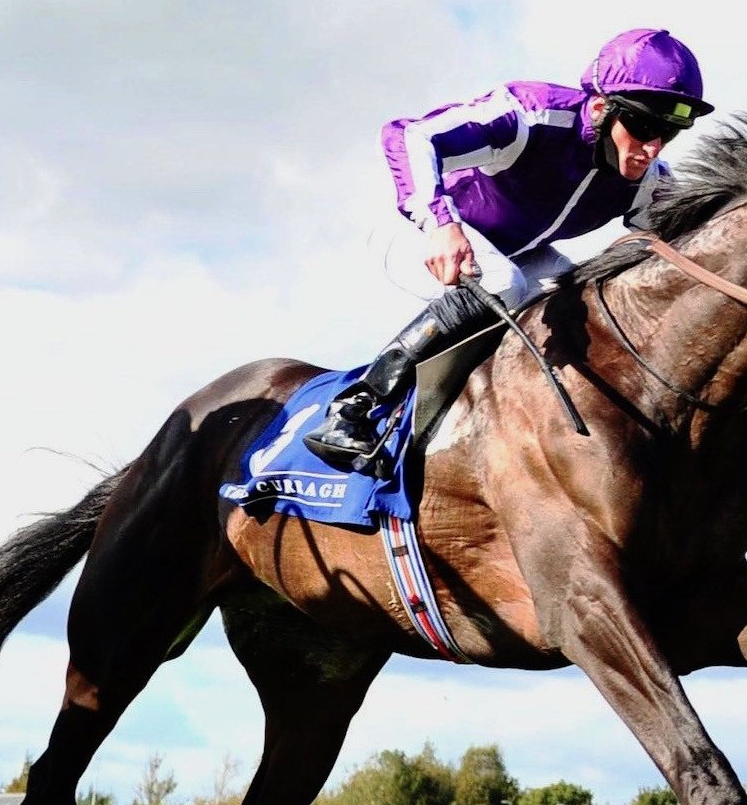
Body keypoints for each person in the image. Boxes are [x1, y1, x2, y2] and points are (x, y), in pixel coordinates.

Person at [304, 27, 713, 472]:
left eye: (669, 132)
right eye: (643, 125)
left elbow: (677, 253)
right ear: (600, 108)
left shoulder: (648, 180)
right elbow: (407, 135)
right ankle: (354, 408)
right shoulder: (531, 115)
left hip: (516, 253)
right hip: (416, 229)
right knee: (503, 283)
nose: (652, 147)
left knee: (578, 305)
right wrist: (440, 223)